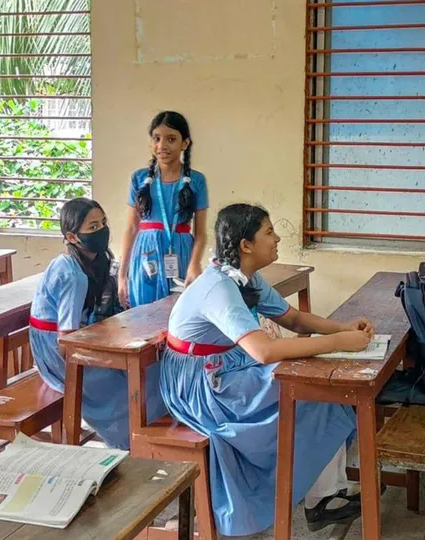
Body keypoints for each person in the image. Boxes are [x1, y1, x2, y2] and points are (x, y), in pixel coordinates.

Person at [159, 203, 376, 536]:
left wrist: (342, 328)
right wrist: (338, 343)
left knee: (318, 386)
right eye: (269, 232)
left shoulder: (246, 277)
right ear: (246, 245)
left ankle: (324, 491)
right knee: (313, 392)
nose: (277, 239)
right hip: (202, 385)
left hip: (227, 365)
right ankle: (321, 498)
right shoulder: (219, 288)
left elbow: (293, 318)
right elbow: (264, 351)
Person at [29, 198, 166, 449]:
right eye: (92, 227)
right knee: (139, 377)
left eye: (103, 223)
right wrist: (106, 355)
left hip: (75, 340)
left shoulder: (92, 262)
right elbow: (66, 341)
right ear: (72, 237)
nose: (102, 230)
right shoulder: (73, 275)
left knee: (152, 366)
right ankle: (132, 441)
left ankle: (147, 435)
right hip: (57, 354)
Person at [118, 111, 209, 308]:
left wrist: (194, 264)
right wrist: (122, 274)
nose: (162, 145)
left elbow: (201, 233)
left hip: (182, 251)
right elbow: (131, 229)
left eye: (171, 139)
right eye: (156, 138)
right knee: (143, 313)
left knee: (180, 312)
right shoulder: (138, 178)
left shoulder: (197, 180)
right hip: (146, 253)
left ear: (185, 143)